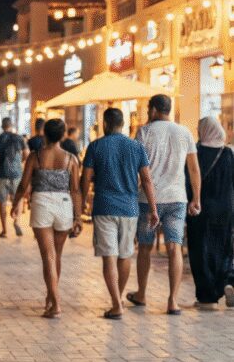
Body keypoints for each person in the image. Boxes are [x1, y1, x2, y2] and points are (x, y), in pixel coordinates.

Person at [80, 108, 158, 320]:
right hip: (130, 208)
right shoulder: (136, 146)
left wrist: (81, 205)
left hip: (104, 207)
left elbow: (85, 178)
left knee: (109, 257)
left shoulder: (95, 146)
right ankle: (119, 298)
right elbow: (147, 180)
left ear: (105, 123)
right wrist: (153, 208)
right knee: (124, 255)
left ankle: (116, 304)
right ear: (122, 124)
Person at [127, 95, 201, 315]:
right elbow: (194, 169)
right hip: (177, 198)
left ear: (154, 109)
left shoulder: (144, 132)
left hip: (148, 201)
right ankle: (173, 301)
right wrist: (196, 197)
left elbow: (136, 167)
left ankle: (141, 294)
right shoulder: (184, 132)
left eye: (149, 108)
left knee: (145, 248)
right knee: (174, 247)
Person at [12, 119, 82, 318]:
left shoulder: (36, 157)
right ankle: (51, 298)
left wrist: (16, 203)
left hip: (42, 203)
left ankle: (56, 302)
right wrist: (77, 217)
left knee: (48, 257)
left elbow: (23, 184)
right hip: (64, 204)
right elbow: (76, 190)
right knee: (56, 255)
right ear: (62, 136)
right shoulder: (71, 159)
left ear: (45, 134)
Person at [186, 117, 234, 308]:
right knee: (223, 248)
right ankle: (228, 282)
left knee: (201, 251)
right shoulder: (228, 153)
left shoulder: (195, 153)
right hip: (225, 210)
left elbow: (188, 181)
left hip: (201, 210)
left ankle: (207, 297)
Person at [0, 117, 29, 238]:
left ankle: (4, 230)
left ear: (2, 126)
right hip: (16, 174)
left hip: (2, 173)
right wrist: (19, 162)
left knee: (2, 202)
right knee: (18, 198)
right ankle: (17, 221)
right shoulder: (19, 138)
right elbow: (27, 154)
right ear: (12, 125)